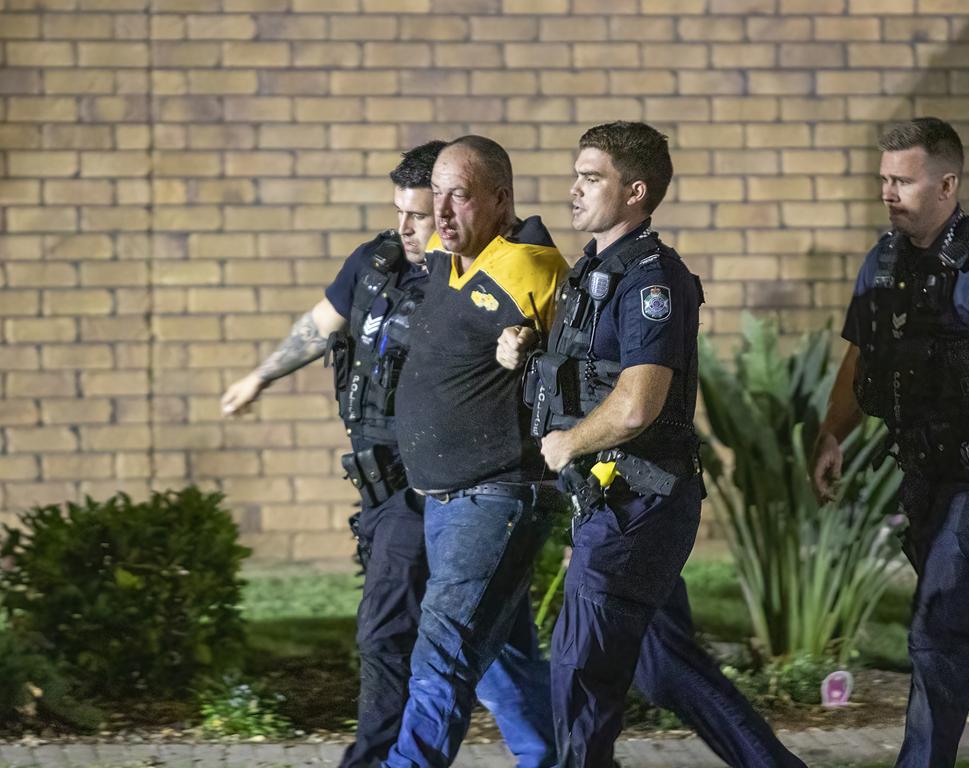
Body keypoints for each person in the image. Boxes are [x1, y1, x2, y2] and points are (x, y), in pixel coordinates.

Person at [220, 141, 555, 768]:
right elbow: (322, 326)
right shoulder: (384, 264)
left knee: (414, 643)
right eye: (405, 211)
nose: (412, 226)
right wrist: (259, 377)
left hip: (456, 491)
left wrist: (525, 345)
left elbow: (546, 327)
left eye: (425, 212)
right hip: (423, 491)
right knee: (500, 655)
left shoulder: (497, 267)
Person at [503, 121, 806, 767]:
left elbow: (639, 402)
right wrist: (529, 351)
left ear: (635, 191)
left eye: (592, 178)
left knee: (580, 672)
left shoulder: (650, 280)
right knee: (667, 669)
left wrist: (566, 444)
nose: (574, 190)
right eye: (576, 175)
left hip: (636, 503)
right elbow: (588, 374)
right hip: (619, 500)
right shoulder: (593, 271)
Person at [811, 117, 969, 767]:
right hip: (925, 477)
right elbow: (861, 356)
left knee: (939, 631)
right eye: (883, 179)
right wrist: (831, 435)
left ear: (946, 185)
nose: (888, 191)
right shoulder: (883, 260)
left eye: (902, 180)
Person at [380, 135, 567, 768]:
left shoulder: (535, 271)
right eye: (437, 196)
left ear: (501, 199)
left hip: (496, 495)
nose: (442, 212)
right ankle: (556, 759)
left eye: (460, 196)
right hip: (446, 497)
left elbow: (581, 372)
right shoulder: (441, 252)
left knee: (443, 649)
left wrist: (529, 350)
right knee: (501, 661)